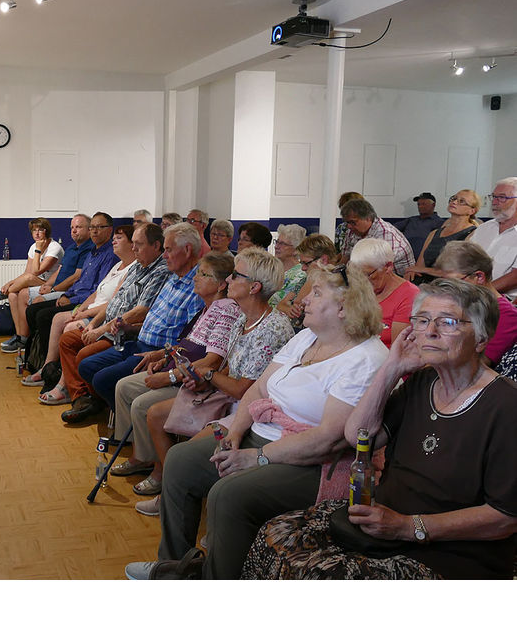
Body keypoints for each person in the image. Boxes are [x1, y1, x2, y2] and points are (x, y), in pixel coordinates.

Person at [124, 263, 388, 580]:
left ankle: (216, 580)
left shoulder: (365, 358)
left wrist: (256, 456)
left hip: (313, 460)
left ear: (344, 308)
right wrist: (234, 433)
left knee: (228, 494)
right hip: (259, 434)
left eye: (316, 293)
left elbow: (328, 438)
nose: (305, 300)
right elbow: (259, 388)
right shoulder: (306, 338)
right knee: (181, 461)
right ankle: (175, 567)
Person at [242, 279, 517, 580]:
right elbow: (359, 437)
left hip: (450, 553)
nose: (431, 332)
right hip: (383, 528)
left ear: (481, 338)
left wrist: (409, 526)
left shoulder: (506, 405)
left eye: (447, 322)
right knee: (277, 537)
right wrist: (391, 368)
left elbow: (504, 517)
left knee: (320, 578)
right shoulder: (422, 383)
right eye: (422, 321)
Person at [125, 249, 295, 512]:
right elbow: (226, 367)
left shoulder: (271, 328)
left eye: (236, 275)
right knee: (156, 415)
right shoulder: (242, 317)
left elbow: (243, 391)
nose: (228, 280)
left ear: (254, 287)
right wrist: (204, 381)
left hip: (249, 412)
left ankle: (176, 499)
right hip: (226, 397)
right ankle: (170, 490)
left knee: (182, 457)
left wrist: (207, 375)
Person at [107, 253, 240, 490]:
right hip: (179, 368)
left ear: (221, 284)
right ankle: (141, 454)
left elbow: (211, 360)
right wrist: (163, 356)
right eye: (198, 272)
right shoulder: (208, 307)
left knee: (141, 404)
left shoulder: (226, 310)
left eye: (203, 274)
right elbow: (188, 343)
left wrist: (168, 376)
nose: (195, 278)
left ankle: (162, 472)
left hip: (193, 381)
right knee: (124, 386)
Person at [65, 223, 206, 423]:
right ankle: (120, 416)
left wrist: (162, 355)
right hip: (137, 339)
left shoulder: (196, 287)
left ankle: (126, 423)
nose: (165, 256)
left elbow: (189, 339)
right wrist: (129, 327)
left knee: (101, 377)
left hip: (157, 351)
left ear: (187, 250)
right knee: (87, 365)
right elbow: (148, 318)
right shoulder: (173, 278)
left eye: (168, 250)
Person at [48, 223, 170, 410]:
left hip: (124, 332)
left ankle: (96, 401)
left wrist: (101, 330)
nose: (134, 248)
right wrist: (95, 323)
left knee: (84, 356)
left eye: (139, 244)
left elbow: (142, 310)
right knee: (67, 340)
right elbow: (114, 300)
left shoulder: (160, 271)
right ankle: (80, 396)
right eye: (133, 243)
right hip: (107, 324)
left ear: (156, 246)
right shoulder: (137, 265)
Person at [23, 225, 135, 391]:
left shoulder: (131, 268)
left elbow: (113, 302)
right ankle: (47, 368)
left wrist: (83, 311)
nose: (114, 241)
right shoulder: (116, 265)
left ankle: (64, 384)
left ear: (132, 244)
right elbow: (97, 292)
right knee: (55, 317)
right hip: (88, 305)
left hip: (102, 315)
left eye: (119, 238)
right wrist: (79, 309)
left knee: (66, 325)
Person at [4, 212, 118, 354]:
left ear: (109, 230)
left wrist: (58, 291)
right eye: (72, 227)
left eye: (99, 227)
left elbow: (89, 286)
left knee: (39, 310)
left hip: (81, 299)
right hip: (70, 293)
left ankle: (44, 358)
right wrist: (57, 290)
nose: (94, 231)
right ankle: (27, 343)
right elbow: (66, 273)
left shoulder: (103, 253)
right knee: (22, 300)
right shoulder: (85, 251)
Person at [435, 241, 517, 366]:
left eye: (454, 283)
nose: (449, 290)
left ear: (479, 277)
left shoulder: (507, 316)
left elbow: (478, 365)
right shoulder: (463, 304)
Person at [350, 239, 419, 347]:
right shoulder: (360, 287)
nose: (362, 281)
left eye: (367, 274)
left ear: (388, 267)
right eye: (358, 275)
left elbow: (398, 350)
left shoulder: (409, 296)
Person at [404, 190, 480, 284]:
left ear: (472, 210)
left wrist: (424, 270)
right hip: (426, 283)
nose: (454, 202)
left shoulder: (472, 234)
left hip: (450, 286)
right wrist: (412, 271)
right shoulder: (434, 233)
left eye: (462, 201)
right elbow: (419, 266)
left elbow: (458, 273)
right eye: (454, 198)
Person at [0, 217, 63, 306]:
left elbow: (36, 272)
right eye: (34, 230)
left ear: (46, 231)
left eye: (40, 230)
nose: (37, 233)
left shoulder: (54, 247)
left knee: (29, 278)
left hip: (51, 284)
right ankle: (7, 294)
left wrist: (38, 249)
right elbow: (27, 272)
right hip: (38, 282)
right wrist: (10, 283)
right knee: (12, 295)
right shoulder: (33, 247)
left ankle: (3, 294)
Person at [339, 198, 415, 276]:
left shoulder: (385, 233)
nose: (349, 226)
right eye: (347, 222)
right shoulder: (352, 231)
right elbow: (346, 257)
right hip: (370, 273)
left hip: (397, 276)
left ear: (368, 218)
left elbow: (380, 269)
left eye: (353, 222)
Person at [278, 233, 339, 329]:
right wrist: (290, 309)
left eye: (306, 263)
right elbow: (280, 304)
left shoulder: (337, 285)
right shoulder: (306, 279)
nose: (303, 268)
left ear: (323, 260)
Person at [469, 177, 517, 300]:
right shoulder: (484, 228)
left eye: (502, 197)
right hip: (471, 294)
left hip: (503, 300)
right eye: (493, 197)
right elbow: (465, 259)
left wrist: (478, 293)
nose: (495, 202)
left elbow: (515, 277)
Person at [395, 192, 445, 259]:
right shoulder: (411, 220)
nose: (420, 207)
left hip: (423, 258)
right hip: (403, 255)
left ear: (433, 205)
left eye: (424, 204)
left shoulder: (440, 223)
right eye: (418, 204)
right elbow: (392, 229)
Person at [268, 224, 307, 308]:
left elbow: (285, 304)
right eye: (277, 242)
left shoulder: (300, 275)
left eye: (282, 244)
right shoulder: (272, 269)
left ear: (296, 249)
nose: (276, 246)